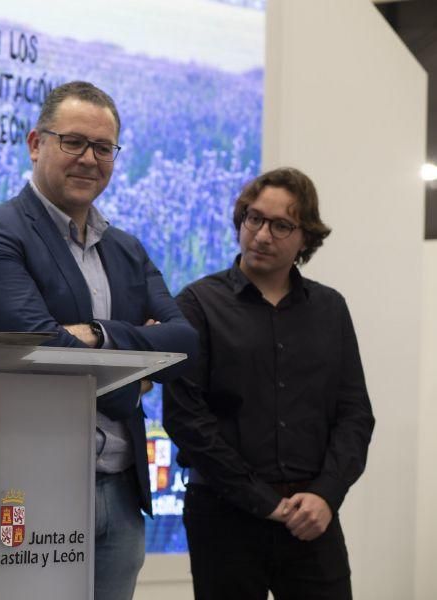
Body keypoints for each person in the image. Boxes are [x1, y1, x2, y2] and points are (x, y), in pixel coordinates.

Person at [0, 81, 198, 600]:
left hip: (119, 487)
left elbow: (186, 341)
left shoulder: (125, 249)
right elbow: (40, 353)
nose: (89, 159)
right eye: (73, 141)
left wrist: (99, 335)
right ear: (36, 143)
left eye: (103, 147)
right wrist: (135, 377)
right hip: (17, 486)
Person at [162, 167, 375, 600]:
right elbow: (186, 419)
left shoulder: (330, 309)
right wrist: (265, 502)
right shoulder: (197, 303)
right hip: (224, 514)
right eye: (253, 218)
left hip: (312, 516)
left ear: (306, 238)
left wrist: (325, 495)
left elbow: (355, 415)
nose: (261, 235)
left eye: (281, 225)